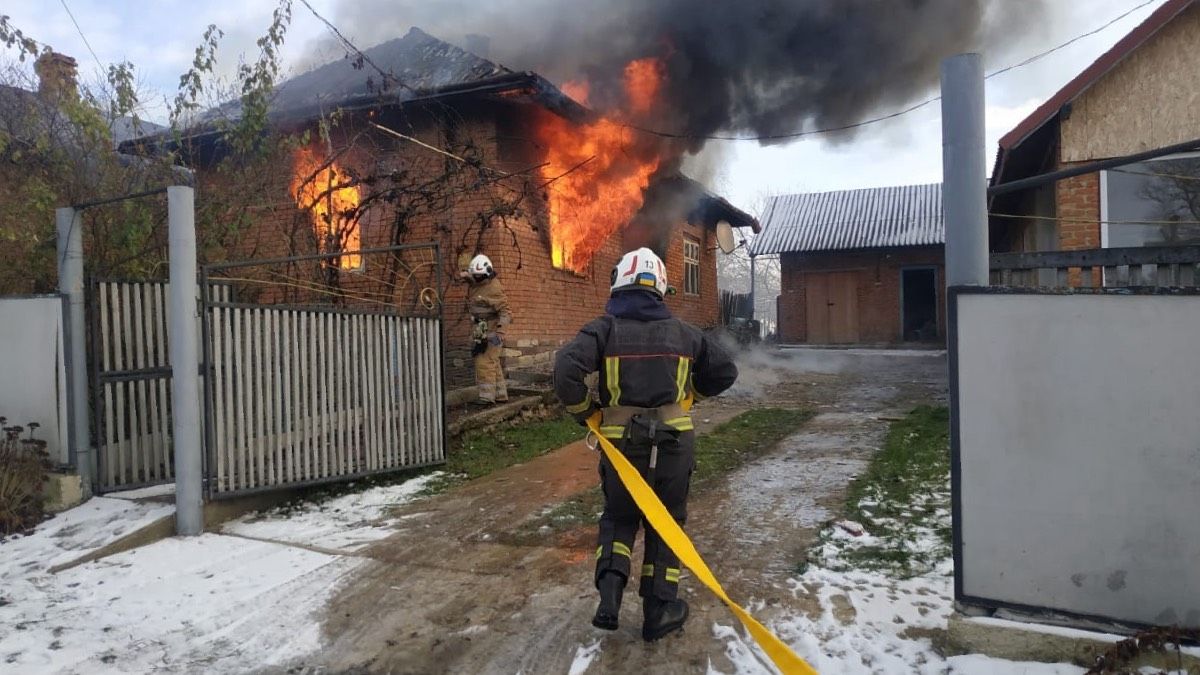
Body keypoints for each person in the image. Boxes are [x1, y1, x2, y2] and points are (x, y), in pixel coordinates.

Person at [553, 247, 738, 642]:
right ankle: (659, 611)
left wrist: (588, 413)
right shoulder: (686, 333)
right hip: (674, 444)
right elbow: (725, 370)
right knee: (665, 522)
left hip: (622, 446)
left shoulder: (603, 329)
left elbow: (565, 369)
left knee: (619, 519)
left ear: (619, 283)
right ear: (661, 287)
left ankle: (609, 598)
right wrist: (691, 399)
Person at [465, 254, 512, 405]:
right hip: (480, 327)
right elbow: (470, 278)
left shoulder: (494, 288)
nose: (476, 278)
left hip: (491, 330)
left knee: (484, 362)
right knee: (493, 362)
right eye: (475, 275)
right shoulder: (477, 282)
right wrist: (465, 274)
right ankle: (500, 395)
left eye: (479, 275)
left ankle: (486, 397)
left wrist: (500, 332)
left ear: (487, 272)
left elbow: (505, 312)